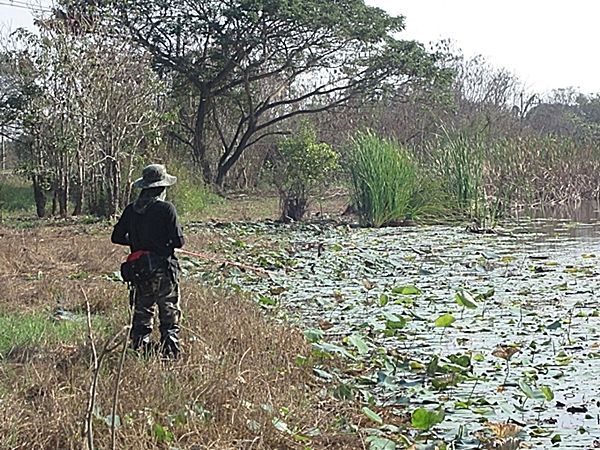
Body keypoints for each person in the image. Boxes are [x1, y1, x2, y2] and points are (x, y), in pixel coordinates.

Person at [111, 164, 185, 358]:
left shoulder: (131, 210)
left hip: (140, 268)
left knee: (142, 312)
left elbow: (116, 237)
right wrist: (162, 245)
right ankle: (170, 355)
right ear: (162, 188)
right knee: (168, 313)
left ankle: (139, 352)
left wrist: (137, 243)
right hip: (163, 268)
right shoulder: (166, 209)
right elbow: (179, 241)